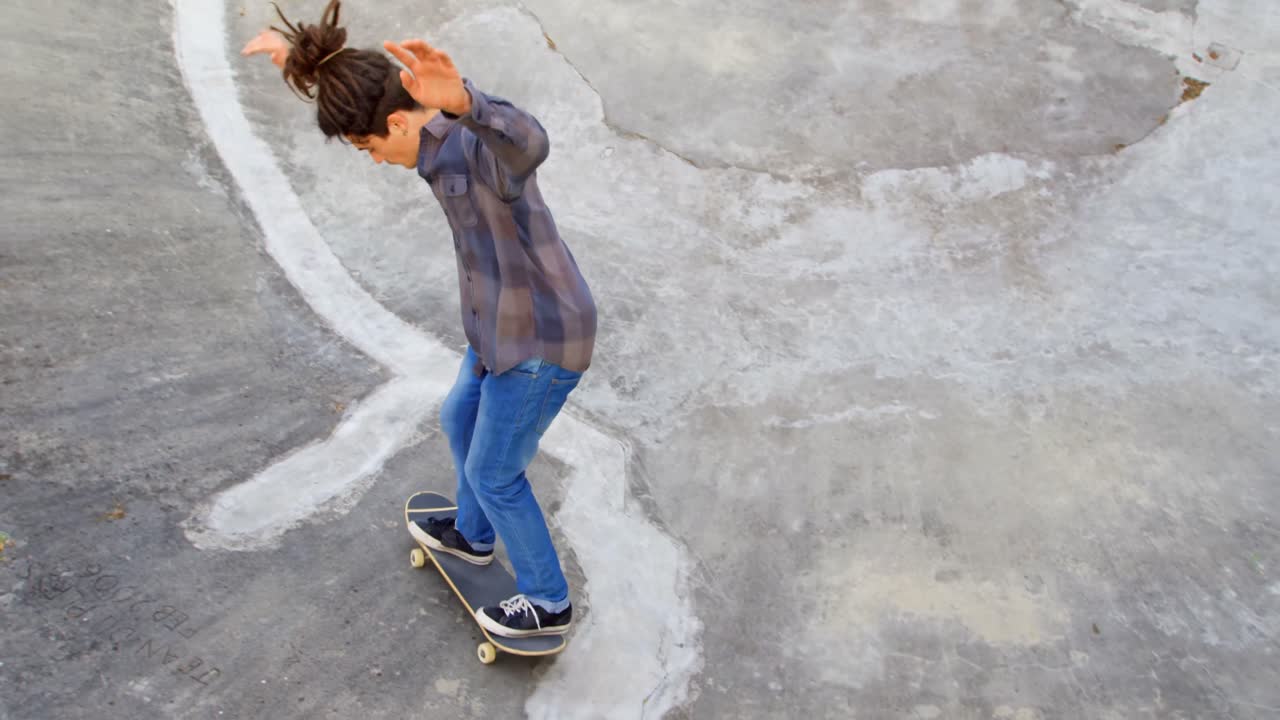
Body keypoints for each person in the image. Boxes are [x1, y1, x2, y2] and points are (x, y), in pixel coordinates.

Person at [242, 0, 596, 639]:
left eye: (369, 146)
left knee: (496, 472)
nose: (373, 158)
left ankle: (548, 600)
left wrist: (466, 100)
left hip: (541, 340)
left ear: (401, 124)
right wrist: (302, 65)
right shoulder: (426, 146)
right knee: (458, 415)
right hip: (496, 330)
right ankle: (471, 533)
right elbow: (362, 91)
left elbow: (530, 144)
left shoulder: (474, 148)